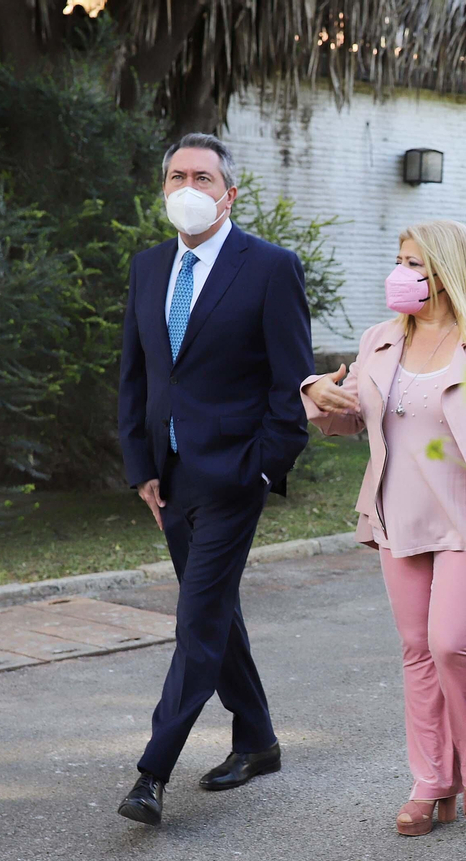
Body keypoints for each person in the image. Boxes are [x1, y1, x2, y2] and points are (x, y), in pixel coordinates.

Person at [300, 220, 466, 836]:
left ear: (447, 271)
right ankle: (431, 779)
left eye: (415, 263)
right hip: (397, 515)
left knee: (449, 644)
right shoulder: (379, 340)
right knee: (415, 649)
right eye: (399, 260)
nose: (401, 273)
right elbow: (352, 417)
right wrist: (317, 393)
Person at [115, 133, 315, 826]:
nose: (187, 187)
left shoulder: (270, 268)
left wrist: (261, 467)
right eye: (176, 176)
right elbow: (136, 375)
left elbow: (292, 386)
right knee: (217, 612)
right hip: (169, 478)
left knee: (197, 619)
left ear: (229, 193)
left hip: (233, 476)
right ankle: (257, 740)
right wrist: (141, 466)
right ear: (163, 188)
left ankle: (152, 772)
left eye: (202, 176)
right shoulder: (148, 267)